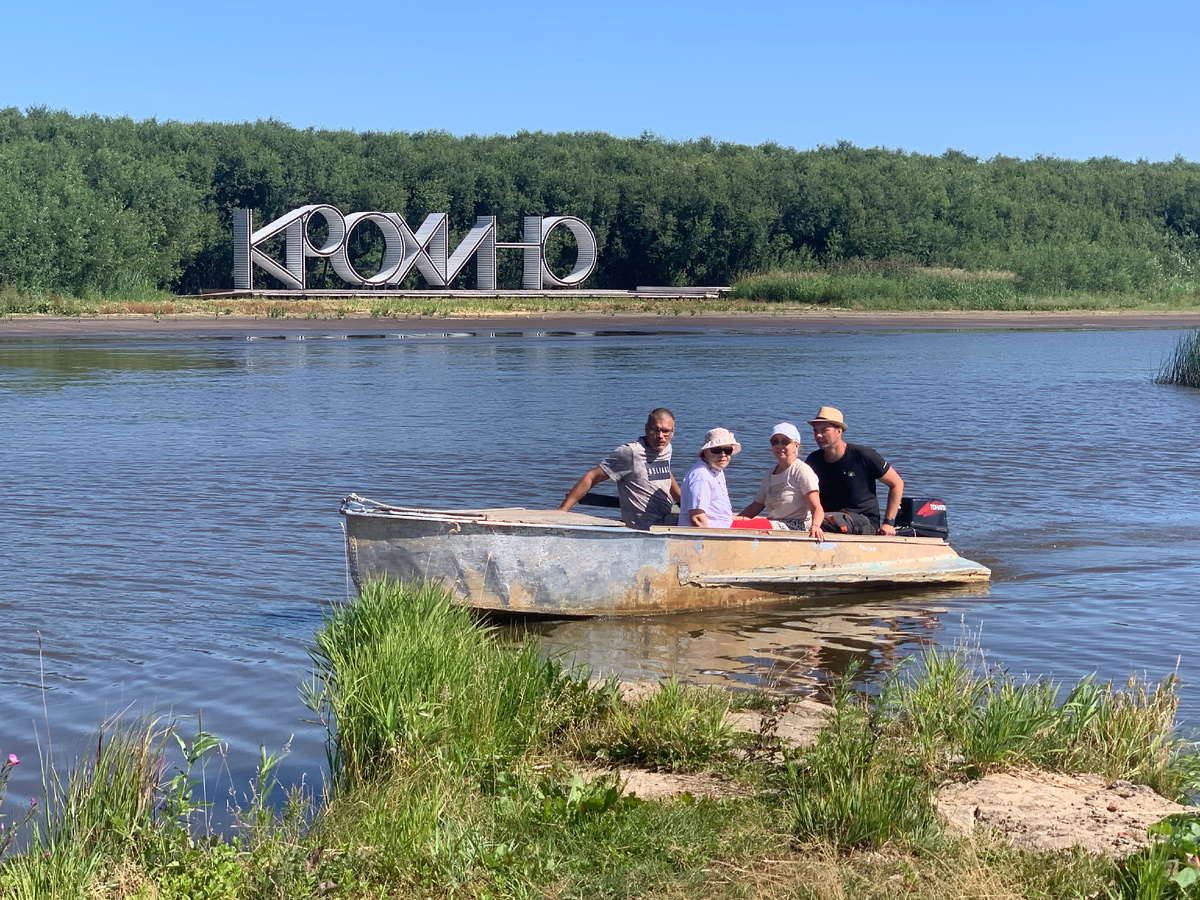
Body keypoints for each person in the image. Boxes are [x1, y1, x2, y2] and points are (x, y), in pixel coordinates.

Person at [558, 408, 681, 530]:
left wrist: (682, 500)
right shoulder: (630, 452)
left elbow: (665, 473)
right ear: (646, 429)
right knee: (692, 522)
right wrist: (562, 511)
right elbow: (592, 477)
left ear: (672, 432)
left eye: (666, 431)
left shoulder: (666, 448)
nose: (660, 436)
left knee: (691, 517)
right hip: (644, 525)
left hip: (666, 517)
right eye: (655, 430)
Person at [804, 406, 904, 536]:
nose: (818, 435)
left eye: (824, 430)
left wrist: (888, 523)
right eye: (815, 431)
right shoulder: (813, 460)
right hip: (828, 518)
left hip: (863, 521)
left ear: (839, 431)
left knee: (819, 521)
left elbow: (897, 483)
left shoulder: (864, 456)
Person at [738, 422, 825, 539]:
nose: (779, 446)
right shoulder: (769, 474)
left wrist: (816, 526)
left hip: (796, 526)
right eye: (775, 442)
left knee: (753, 525)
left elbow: (816, 507)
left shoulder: (802, 470)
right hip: (774, 523)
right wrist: (737, 519)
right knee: (732, 523)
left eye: (785, 442)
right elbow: (756, 506)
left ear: (796, 445)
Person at [677, 428, 741, 528]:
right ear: (706, 452)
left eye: (727, 450)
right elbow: (697, 518)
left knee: (765, 522)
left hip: (726, 525)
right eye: (717, 450)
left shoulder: (717, 469)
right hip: (715, 532)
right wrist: (709, 538)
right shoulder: (701, 475)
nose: (723, 454)